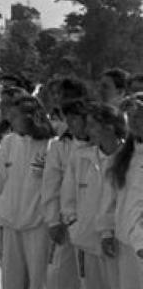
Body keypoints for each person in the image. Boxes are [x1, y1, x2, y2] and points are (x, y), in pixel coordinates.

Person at [0, 94, 54, 289]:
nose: (10, 120)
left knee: (39, 281)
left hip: (38, 224)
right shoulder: (8, 142)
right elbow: (0, 181)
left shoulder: (51, 145)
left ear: (31, 117)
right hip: (10, 222)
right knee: (11, 280)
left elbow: (52, 188)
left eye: (15, 115)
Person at [68, 102, 122, 287]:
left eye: (92, 124)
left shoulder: (129, 159)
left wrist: (109, 232)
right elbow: (68, 197)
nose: (87, 129)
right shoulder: (80, 156)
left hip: (118, 243)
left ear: (110, 127)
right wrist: (74, 224)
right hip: (86, 240)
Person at [97, 94, 143, 289]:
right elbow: (110, 197)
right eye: (131, 117)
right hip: (126, 244)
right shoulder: (122, 157)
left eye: (140, 116)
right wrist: (107, 232)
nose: (134, 122)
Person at [43, 97, 88, 289]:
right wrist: (53, 221)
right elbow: (51, 185)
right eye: (67, 118)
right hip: (64, 221)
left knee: (88, 278)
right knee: (58, 276)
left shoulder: (101, 146)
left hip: (90, 222)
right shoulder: (59, 145)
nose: (70, 124)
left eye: (75, 118)